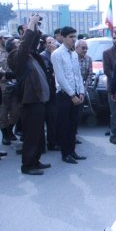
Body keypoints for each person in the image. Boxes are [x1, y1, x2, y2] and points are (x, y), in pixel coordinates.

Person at [7, 13, 51, 174]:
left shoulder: (29, 56)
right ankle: (28, 165)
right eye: (18, 43)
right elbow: (26, 46)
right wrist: (30, 23)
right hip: (30, 102)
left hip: (38, 101)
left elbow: (30, 44)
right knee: (31, 135)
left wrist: (35, 26)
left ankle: (36, 160)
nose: (22, 43)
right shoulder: (15, 58)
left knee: (38, 134)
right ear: (12, 49)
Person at [51, 26, 86, 164]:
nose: (73, 39)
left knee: (73, 125)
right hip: (65, 95)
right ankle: (65, 153)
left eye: (74, 36)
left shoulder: (74, 54)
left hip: (76, 93)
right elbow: (60, 78)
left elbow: (78, 75)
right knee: (64, 125)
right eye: (70, 37)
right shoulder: (57, 54)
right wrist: (72, 95)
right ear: (63, 37)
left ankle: (72, 151)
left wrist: (81, 92)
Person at [0, 31, 20, 145]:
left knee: (16, 112)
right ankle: (5, 134)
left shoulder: (14, 51)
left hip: (14, 85)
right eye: (5, 38)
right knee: (2, 113)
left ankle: (10, 131)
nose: (7, 39)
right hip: (2, 86)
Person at [40, 36, 60, 151]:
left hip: (56, 90)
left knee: (56, 118)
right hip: (48, 91)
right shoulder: (43, 56)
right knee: (50, 118)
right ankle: (51, 142)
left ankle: (55, 140)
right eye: (48, 42)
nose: (50, 44)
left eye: (52, 42)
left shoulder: (58, 53)